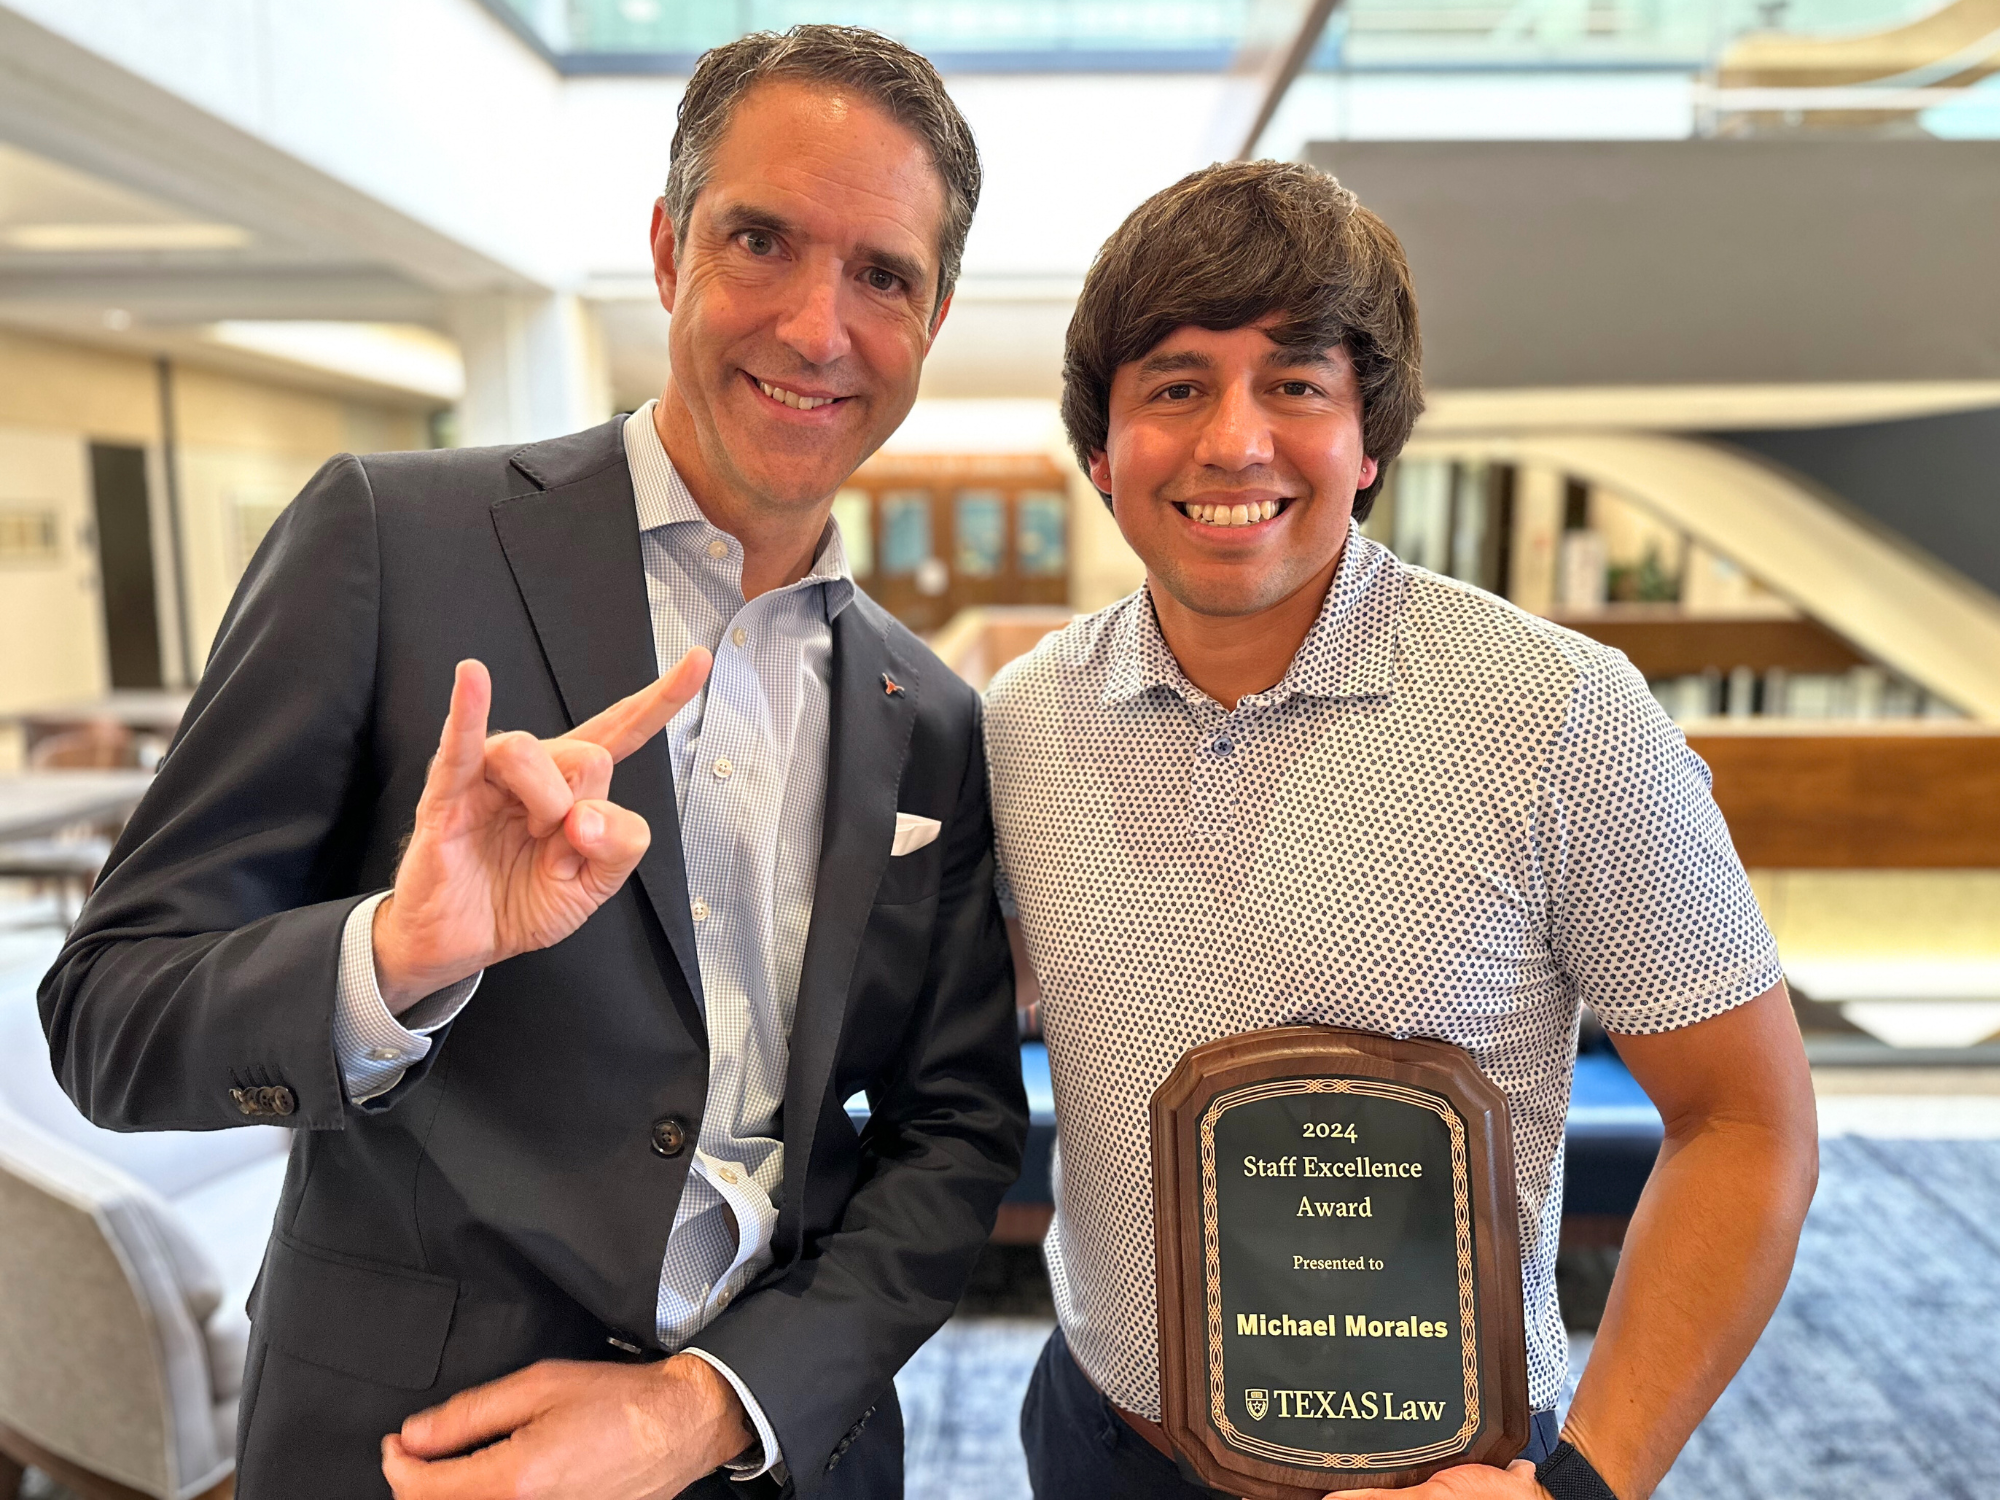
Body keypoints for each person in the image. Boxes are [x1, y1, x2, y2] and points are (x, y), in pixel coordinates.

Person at [40, 25, 1026, 1500]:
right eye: (761, 239)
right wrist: (390, 960)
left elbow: (950, 1132)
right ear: (668, 247)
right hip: (424, 1449)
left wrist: (714, 1403)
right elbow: (108, 1015)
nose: (821, 328)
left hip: (774, 1450)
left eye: (882, 273)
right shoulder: (391, 539)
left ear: (933, 316)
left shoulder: (929, 711)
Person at [985, 160, 1818, 1500]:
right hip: (1102, 1445)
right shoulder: (1020, 725)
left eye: (1296, 385)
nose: (1234, 442)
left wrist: (1585, 1487)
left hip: (1442, 1474)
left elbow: (1748, 1123)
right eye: (1176, 385)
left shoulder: (1560, 715)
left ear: (1369, 440)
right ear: (1101, 449)